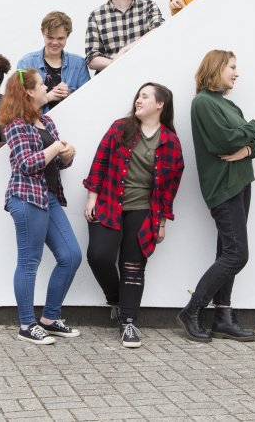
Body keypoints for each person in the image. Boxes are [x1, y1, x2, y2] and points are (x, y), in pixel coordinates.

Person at [177, 50, 255, 343]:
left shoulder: (229, 105)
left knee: (226, 252)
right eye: (232, 67)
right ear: (217, 67)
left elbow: (254, 146)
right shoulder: (203, 103)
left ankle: (222, 317)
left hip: (240, 183)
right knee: (237, 254)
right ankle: (191, 310)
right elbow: (227, 139)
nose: (236, 73)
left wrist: (246, 149)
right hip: (223, 187)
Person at [83, 83, 184, 348]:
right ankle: (116, 299)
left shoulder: (170, 141)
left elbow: (169, 188)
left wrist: (162, 222)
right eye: (138, 95)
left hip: (143, 211)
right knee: (98, 255)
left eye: (145, 96)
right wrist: (91, 197)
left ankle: (128, 322)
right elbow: (100, 161)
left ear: (160, 104)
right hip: (109, 203)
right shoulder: (120, 127)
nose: (138, 100)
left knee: (132, 267)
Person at [0, 67, 82, 345]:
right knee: (29, 262)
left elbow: (55, 163)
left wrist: (66, 155)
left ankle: (49, 318)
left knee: (71, 256)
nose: (47, 86)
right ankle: (26, 324)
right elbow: (26, 164)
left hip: (49, 197)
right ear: (29, 91)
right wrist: (56, 148)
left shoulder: (47, 121)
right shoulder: (15, 125)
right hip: (26, 197)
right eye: (41, 84)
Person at [85, 0, 165, 74]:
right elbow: (92, 58)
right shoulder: (96, 16)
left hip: (145, 74)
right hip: (111, 80)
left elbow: (159, 30)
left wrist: (126, 50)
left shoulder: (148, 6)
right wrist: (118, 63)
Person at [16, 12, 90, 112]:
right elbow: (19, 104)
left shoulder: (79, 64)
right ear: (43, 34)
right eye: (50, 37)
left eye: (60, 38)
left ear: (67, 36)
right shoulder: (26, 63)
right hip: (36, 126)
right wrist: (47, 98)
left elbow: (87, 101)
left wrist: (69, 95)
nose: (55, 43)